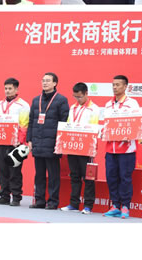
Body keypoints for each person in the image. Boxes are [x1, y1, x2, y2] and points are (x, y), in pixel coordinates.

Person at [27, 72, 69, 210]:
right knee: (39, 174)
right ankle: (39, 200)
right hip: (38, 143)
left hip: (52, 144)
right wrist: (29, 140)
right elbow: (31, 122)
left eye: (48, 81)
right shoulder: (36, 100)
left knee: (53, 175)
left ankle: (52, 201)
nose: (45, 83)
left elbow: (64, 122)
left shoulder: (61, 100)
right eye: (43, 80)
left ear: (55, 83)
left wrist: (59, 142)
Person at [103, 75, 140, 219]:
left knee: (125, 178)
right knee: (111, 177)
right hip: (110, 148)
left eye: (118, 84)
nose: (115, 87)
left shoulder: (132, 104)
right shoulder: (108, 104)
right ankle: (115, 205)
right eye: (113, 84)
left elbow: (137, 124)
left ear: (125, 87)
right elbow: (106, 125)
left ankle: (125, 206)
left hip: (126, 149)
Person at [60, 83, 99, 214]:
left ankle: (88, 205)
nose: (77, 99)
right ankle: (74, 204)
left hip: (86, 147)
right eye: (75, 97)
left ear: (86, 93)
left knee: (88, 177)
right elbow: (68, 125)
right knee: (74, 176)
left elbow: (93, 128)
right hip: (73, 146)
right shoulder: (73, 108)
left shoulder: (94, 109)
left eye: (80, 97)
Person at [0, 78, 30, 206]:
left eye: (10, 88)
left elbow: (24, 125)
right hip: (1, 143)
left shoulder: (23, 105)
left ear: (16, 89)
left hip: (15, 144)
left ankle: (16, 197)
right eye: (6, 88)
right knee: (2, 170)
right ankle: (4, 196)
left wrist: (19, 142)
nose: (7, 91)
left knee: (14, 172)